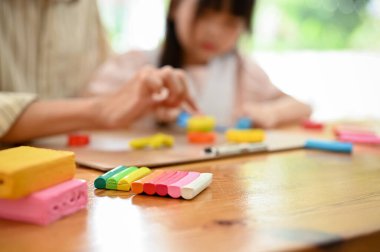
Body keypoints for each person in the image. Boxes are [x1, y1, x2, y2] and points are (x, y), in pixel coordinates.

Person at [89, 0, 312, 128]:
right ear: (175, 7)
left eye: (230, 23)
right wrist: (140, 110)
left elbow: (302, 107)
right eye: (205, 14)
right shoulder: (134, 66)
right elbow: (88, 112)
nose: (214, 31)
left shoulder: (242, 70)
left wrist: (268, 113)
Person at [0, 0, 197, 143]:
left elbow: (99, 80)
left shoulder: (85, 7)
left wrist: (135, 103)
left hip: (72, 164)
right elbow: (103, 107)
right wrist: (100, 110)